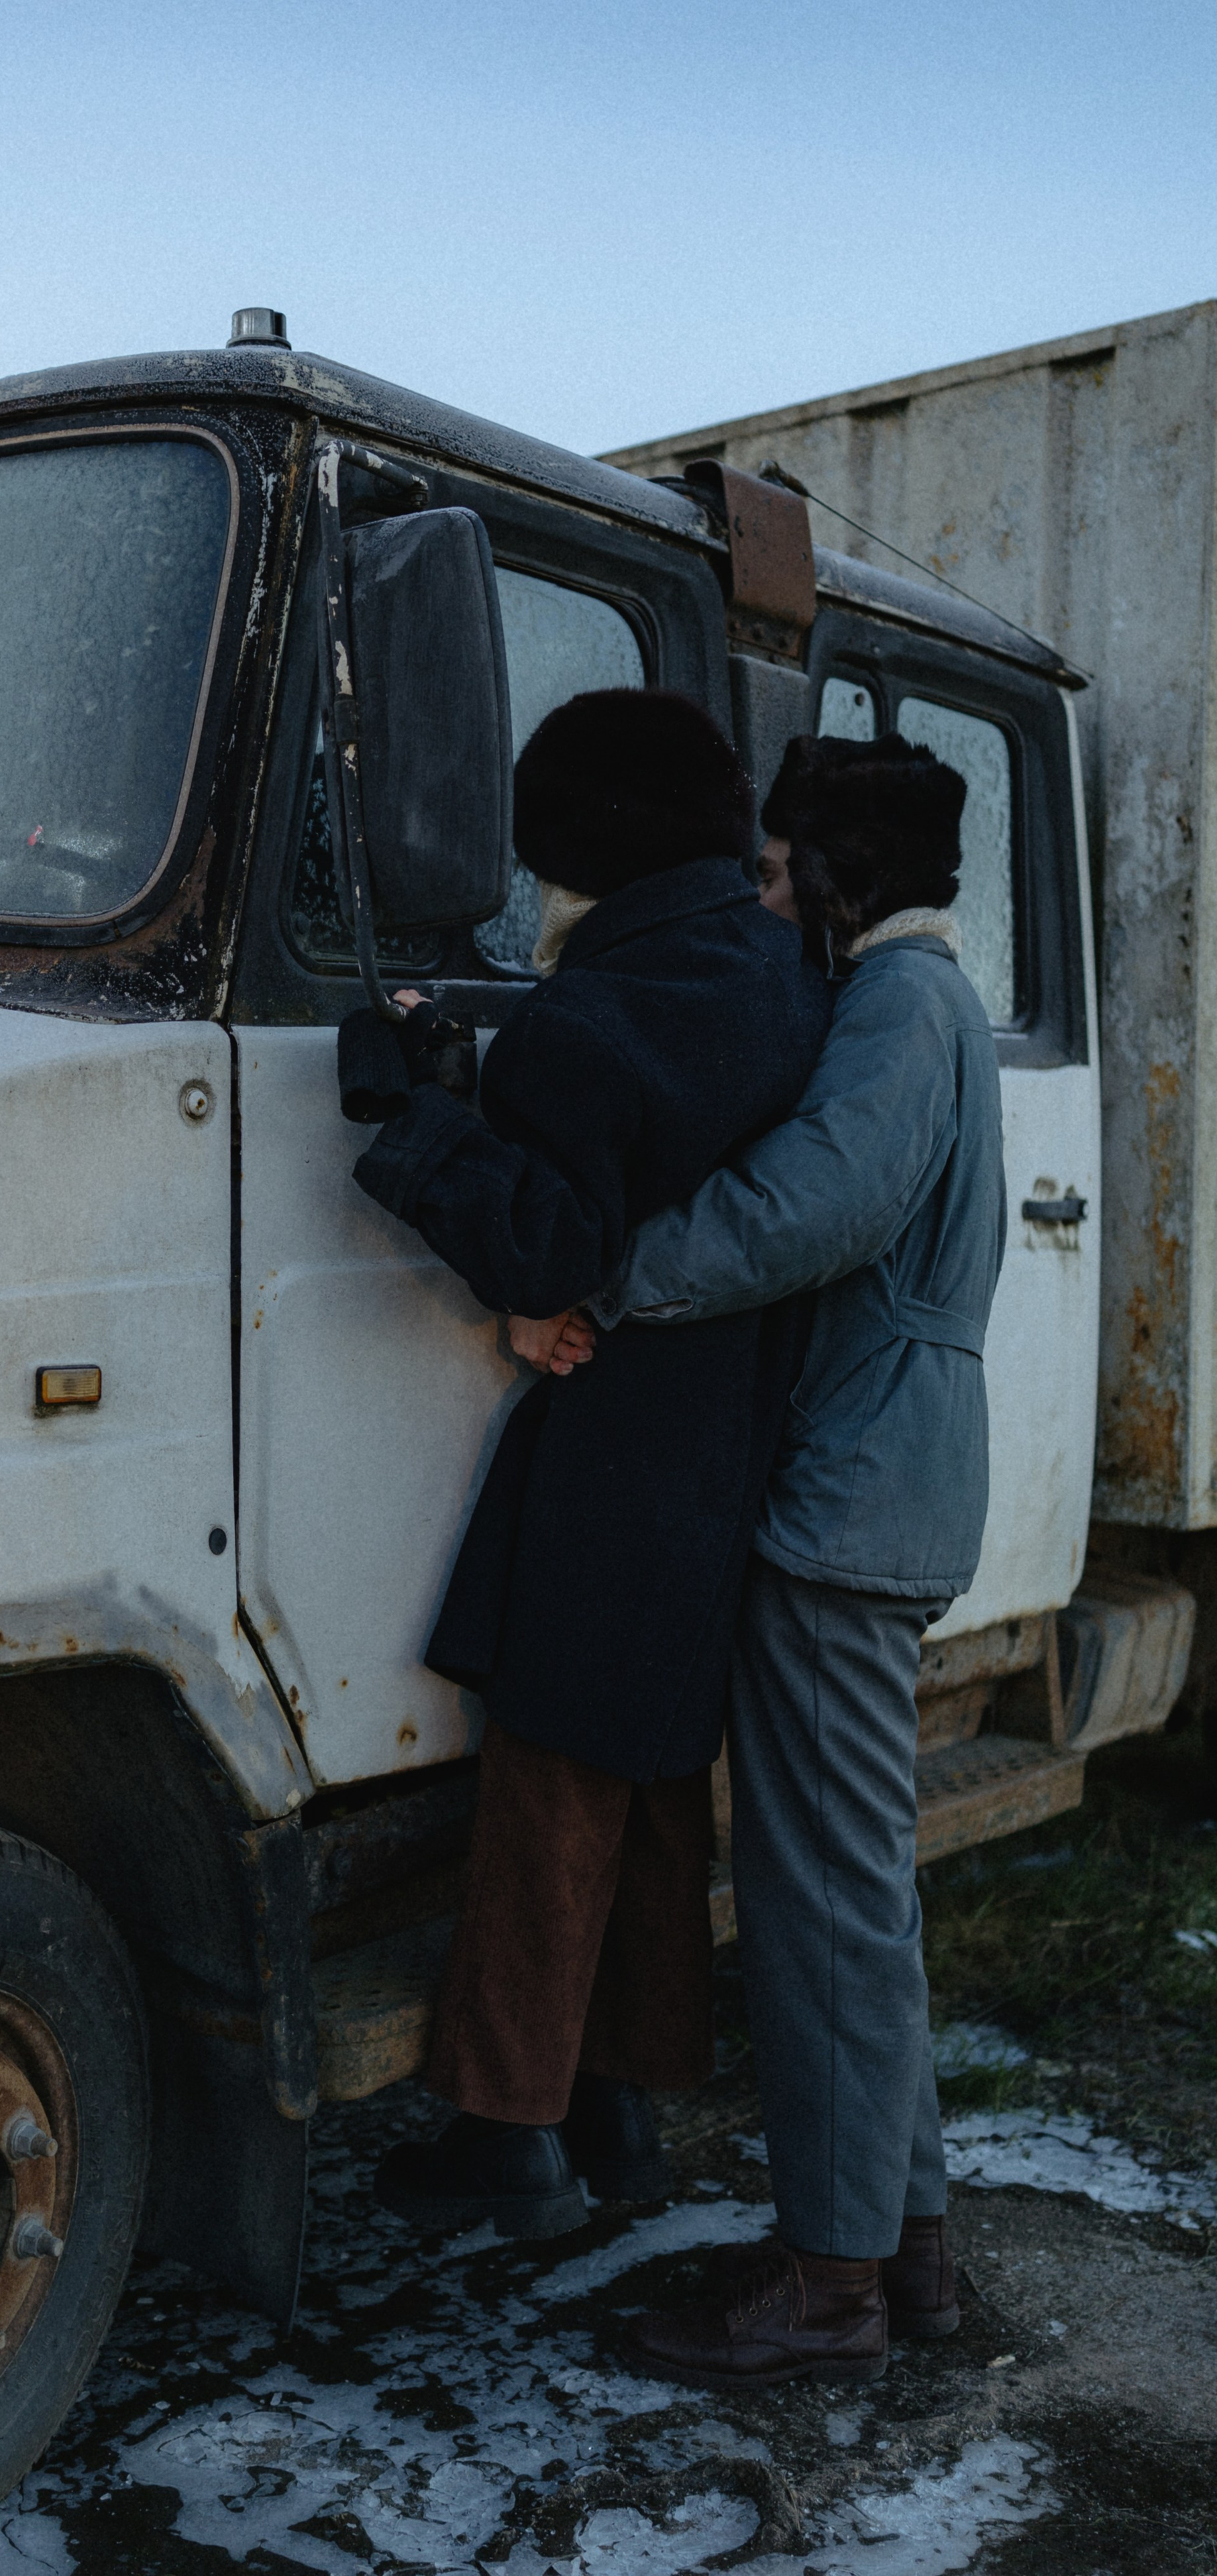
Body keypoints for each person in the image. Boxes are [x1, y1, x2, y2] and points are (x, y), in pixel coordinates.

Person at [335, 687, 831, 2238]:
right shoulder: (777, 976)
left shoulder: (584, 1016)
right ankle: (622, 2105)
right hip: (730, 1444)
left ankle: (507, 2132)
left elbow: (548, 1241)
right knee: (654, 1786)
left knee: (548, 1793)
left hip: (609, 1450)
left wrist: (415, 1117)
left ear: (578, 848)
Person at [556, 728, 1005, 2383]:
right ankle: (911, 2263)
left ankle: (827, 2291)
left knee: (820, 1911)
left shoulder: (896, 1004)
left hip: (849, 1496)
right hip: (888, 1476)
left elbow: (814, 1202)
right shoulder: (927, 1004)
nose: (759, 896)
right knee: (858, 1900)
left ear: (841, 874)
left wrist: (620, 1272)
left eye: (773, 869)